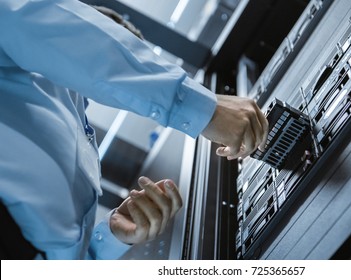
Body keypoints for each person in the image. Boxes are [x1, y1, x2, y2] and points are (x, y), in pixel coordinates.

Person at [0, 0, 268, 260]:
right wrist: (202, 109)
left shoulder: (65, 123)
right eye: (122, 43)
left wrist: (110, 238)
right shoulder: (55, 46)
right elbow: (38, 22)